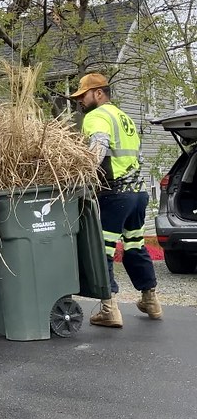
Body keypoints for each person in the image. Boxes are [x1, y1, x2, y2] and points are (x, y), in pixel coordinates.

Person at [69, 72, 162, 327]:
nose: (80, 101)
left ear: (99, 93)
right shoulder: (124, 117)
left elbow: (98, 147)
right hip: (138, 193)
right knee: (135, 245)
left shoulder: (96, 116)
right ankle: (151, 300)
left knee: (103, 250)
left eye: (83, 95)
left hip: (115, 193)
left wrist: (79, 176)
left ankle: (109, 309)